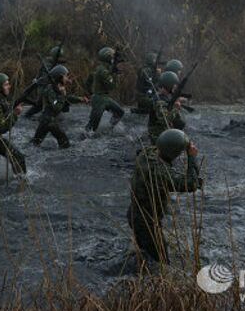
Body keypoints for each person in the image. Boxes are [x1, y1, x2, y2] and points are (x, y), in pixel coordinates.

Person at [128, 129, 202, 265]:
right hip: (147, 224)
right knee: (162, 264)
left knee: (145, 254)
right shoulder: (161, 174)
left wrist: (179, 141)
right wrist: (191, 157)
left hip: (134, 214)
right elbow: (191, 184)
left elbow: (164, 148)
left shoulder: (146, 154)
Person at [32, 65, 89, 148]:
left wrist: (80, 99)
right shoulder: (51, 90)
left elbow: (67, 98)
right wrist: (62, 95)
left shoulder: (58, 88)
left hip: (45, 121)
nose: (67, 78)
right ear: (60, 77)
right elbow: (57, 107)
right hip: (49, 121)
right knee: (65, 144)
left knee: (35, 143)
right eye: (66, 76)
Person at [85, 47, 124, 132]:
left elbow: (88, 81)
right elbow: (112, 86)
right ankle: (82, 141)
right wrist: (116, 75)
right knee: (92, 128)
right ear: (108, 58)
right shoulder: (103, 70)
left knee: (120, 112)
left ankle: (109, 128)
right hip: (100, 99)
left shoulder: (103, 68)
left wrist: (90, 93)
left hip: (104, 98)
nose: (114, 59)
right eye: (112, 57)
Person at [25, 46, 65, 119]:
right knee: (42, 106)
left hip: (50, 88)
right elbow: (41, 75)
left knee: (45, 105)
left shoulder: (56, 64)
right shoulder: (47, 64)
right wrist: (36, 79)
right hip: (44, 88)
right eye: (59, 56)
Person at [147, 71, 185, 144]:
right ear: (169, 85)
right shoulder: (159, 101)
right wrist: (176, 108)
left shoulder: (164, 97)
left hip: (163, 132)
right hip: (158, 135)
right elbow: (165, 120)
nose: (175, 87)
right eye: (174, 85)